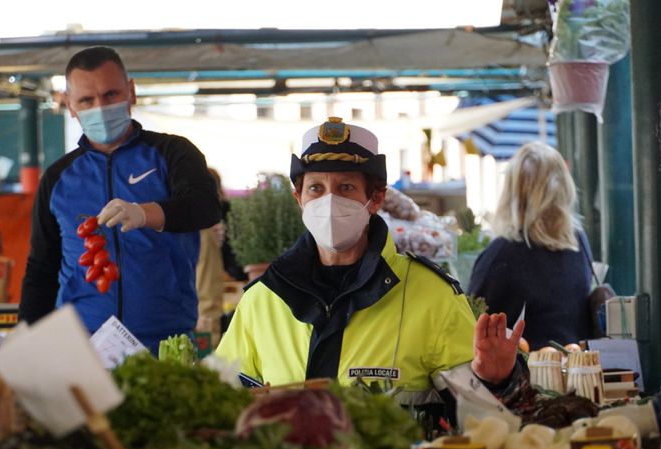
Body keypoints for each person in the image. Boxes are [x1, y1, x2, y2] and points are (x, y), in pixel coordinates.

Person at [214, 117, 527, 417]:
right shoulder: (263, 299)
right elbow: (223, 399)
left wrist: (497, 379)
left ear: (375, 199)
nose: (329, 201)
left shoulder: (432, 296)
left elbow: (482, 416)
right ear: (299, 199)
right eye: (316, 189)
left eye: (346, 187)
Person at [19, 46, 220, 352]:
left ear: (131, 92)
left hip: (166, 341)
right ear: (70, 106)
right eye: (87, 100)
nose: (100, 107)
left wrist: (145, 213)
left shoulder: (172, 152)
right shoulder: (57, 178)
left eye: (111, 94)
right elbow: (42, 268)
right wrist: (25, 341)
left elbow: (205, 207)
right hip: (81, 347)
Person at [466, 141, 593, 350]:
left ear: (511, 192)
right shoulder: (578, 242)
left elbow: (470, 324)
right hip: (579, 370)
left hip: (528, 377)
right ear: (564, 188)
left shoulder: (503, 254)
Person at [195, 168, 228, 348]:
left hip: (199, 325)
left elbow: (208, 294)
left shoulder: (203, 232)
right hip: (197, 321)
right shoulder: (201, 232)